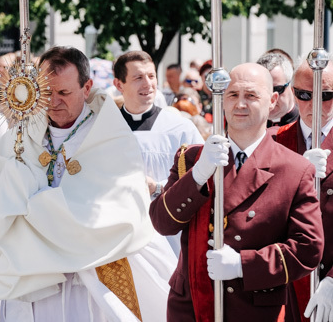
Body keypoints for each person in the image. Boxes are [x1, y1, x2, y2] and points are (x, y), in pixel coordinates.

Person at [0, 46, 175, 321]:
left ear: (86, 88)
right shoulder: (20, 136)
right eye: (47, 93)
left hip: (93, 271)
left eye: (64, 93)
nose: (53, 102)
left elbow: (115, 209)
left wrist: (32, 210)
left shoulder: (112, 137)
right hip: (33, 274)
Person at [149, 62, 324, 321]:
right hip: (192, 307)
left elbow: (308, 247)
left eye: (251, 95)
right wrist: (197, 175)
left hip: (255, 310)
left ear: (273, 100)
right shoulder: (192, 159)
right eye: (232, 94)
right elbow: (162, 223)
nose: (240, 104)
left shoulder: (294, 168)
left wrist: (243, 265)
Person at [113, 50, 203, 255]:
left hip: (169, 235)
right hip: (122, 235)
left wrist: (157, 186)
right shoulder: (106, 129)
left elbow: (201, 177)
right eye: (138, 78)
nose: (148, 84)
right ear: (119, 85)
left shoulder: (181, 128)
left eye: (151, 76)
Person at [275, 59, 333, 322]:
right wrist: (295, 173)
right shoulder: (275, 142)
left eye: (327, 95)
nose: (315, 105)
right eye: (305, 95)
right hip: (286, 285)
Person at [256, 52, 298, 128]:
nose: (270, 98)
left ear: (292, 87)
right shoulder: (249, 125)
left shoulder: (306, 124)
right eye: (261, 90)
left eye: (277, 89)